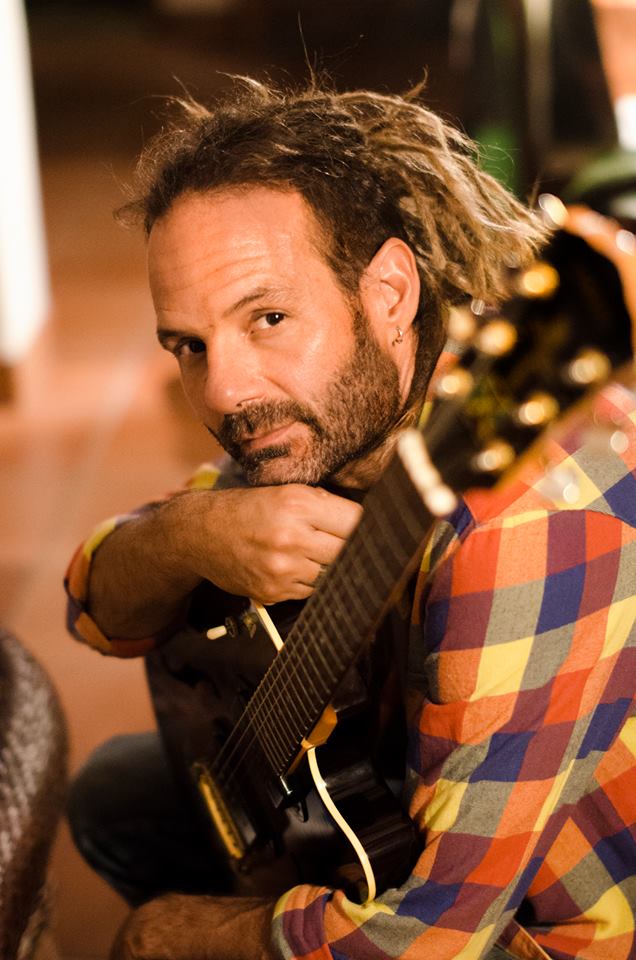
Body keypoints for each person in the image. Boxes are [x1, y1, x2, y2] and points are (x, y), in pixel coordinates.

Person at [64, 79, 636, 960]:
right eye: (189, 345)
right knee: (112, 794)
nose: (225, 391)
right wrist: (190, 534)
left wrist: (172, 935)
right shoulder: (327, 418)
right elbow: (96, 611)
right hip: (378, 801)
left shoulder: (522, 525)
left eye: (268, 317)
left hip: (538, 927)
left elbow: (432, 939)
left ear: (390, 292)